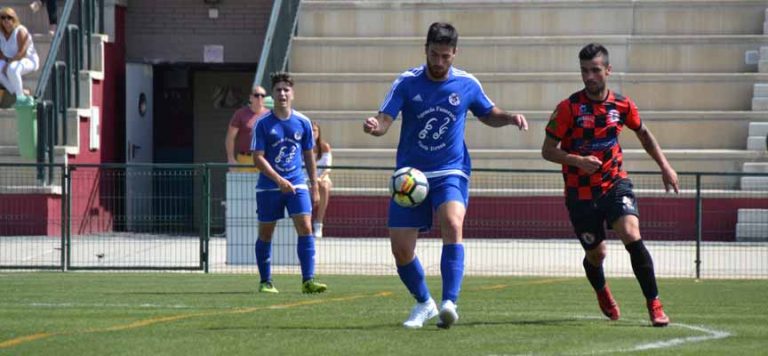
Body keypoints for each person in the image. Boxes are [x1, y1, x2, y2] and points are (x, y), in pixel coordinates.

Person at [363, 22, 528, 329]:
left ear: (455, 53)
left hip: (451, 169)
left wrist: (509, 118)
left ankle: (449, 303)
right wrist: (375, 127)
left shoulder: (466, 83)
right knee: (401, 250)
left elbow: (488, 113)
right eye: (434, 55)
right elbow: (385, 118)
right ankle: (424, 303)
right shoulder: (406, 82)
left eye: (445, 56)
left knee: (452, 223)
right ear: (425, 50)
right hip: (410, 176)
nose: (439, 62)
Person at [541, 43, 678, 327]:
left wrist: (665, 166)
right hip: (580, 193)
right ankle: (602, 290)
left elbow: (644, 134)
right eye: (584, 71)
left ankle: (655, 304)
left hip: (614, 184)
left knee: (631, 233)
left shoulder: (622, 105)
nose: (589, 76)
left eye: (595, 70)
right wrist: (578, 161)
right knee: (597, 254)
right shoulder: (568, 108)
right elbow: (547, 151)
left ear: (608, 70)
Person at [251, 72, 327, 294]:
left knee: (305, 227)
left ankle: (308, 281)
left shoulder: (303, 122)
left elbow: (309, 156)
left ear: (292, 93)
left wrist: (314, 186)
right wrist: (279, 180)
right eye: (278, 90)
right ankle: (265, 282)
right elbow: (257, 157)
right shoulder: (262, 124)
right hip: (269, 186)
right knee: (266, 233)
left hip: (297, 184)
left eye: (286, 90)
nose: (282, 94)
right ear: (272, 94)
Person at [225, 85, 272, 172]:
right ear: (251, 98)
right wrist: (231, 159)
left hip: (265, 158)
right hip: (245, 159)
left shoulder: (270, 115)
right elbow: (230, 137)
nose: (260, 98)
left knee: (265, 181)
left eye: (263, 95)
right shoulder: (240, 114)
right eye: (256, 95)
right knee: (244, 181)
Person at [0, 7, 39, 106]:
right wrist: (5, 62)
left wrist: (8, 63)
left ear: (14, 19)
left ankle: (20, 98)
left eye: (9, 17)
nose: (6, 20)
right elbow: (1, 54)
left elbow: (22, 52)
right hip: (10, 60)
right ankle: (20, 92)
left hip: (28, 60)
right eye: (3, 18)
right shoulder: (1, 34)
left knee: (12, 68)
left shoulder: (20, 30)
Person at [311, 121, 332, 238]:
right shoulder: (302, 147)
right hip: (306, 177)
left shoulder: (325, 147)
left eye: (315, 130)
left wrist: (319, 178)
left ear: (319, 132)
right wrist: (312, 179)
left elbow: (327, 168)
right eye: (311, 130)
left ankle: (318, 223)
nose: (313, 133)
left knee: (324, 187)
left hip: (322, 177)